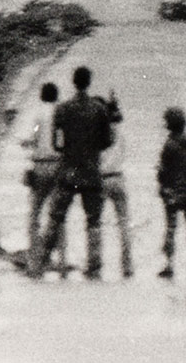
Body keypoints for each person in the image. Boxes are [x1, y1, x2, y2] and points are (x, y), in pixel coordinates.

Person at [29, 66, 114, 280]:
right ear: (89, 82)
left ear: (74, 82)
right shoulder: (99, 109)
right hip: (92, 171)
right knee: (93, 220)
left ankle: (42, 263)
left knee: (55, 217)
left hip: (69, 171)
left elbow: (57, 144)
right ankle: (94, 267)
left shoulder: (63, 109)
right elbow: (107, 141)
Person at [21, 82, 66, 273]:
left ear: (41, 96)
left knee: (35, 214)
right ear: (56, 97)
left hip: (40, 166)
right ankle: (62, 259)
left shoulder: (39, 114)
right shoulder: (61, 114)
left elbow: (32, 138)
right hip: (58, 166)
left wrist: (27, 143)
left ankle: (34, 262)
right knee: (57, 214)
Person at [157, 106, 186, 279]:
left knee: (170, 227)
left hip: (173, 192)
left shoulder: (169, 145)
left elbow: (163, 170)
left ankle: (169, 264)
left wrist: (163, 187)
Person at [99, 91, 134, 278]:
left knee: (96, 222)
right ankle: (127, 264)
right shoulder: (121, 131)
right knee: (124, 222)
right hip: (119, 177)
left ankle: (96, 261)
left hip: (102, 178)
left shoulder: (99, 132)